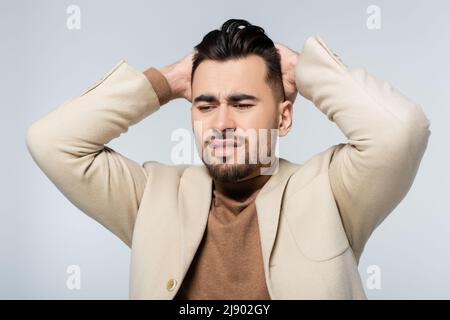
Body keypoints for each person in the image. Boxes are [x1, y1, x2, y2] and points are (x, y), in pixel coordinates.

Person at [26, 19, 430, 299]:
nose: (221, 123)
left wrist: (301, 69)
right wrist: (168, 81)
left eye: (241, 103)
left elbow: (400, 133)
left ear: (283, 117)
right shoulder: (152, 197)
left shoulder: (331, 191)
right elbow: (51, 141)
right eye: (205, 105)